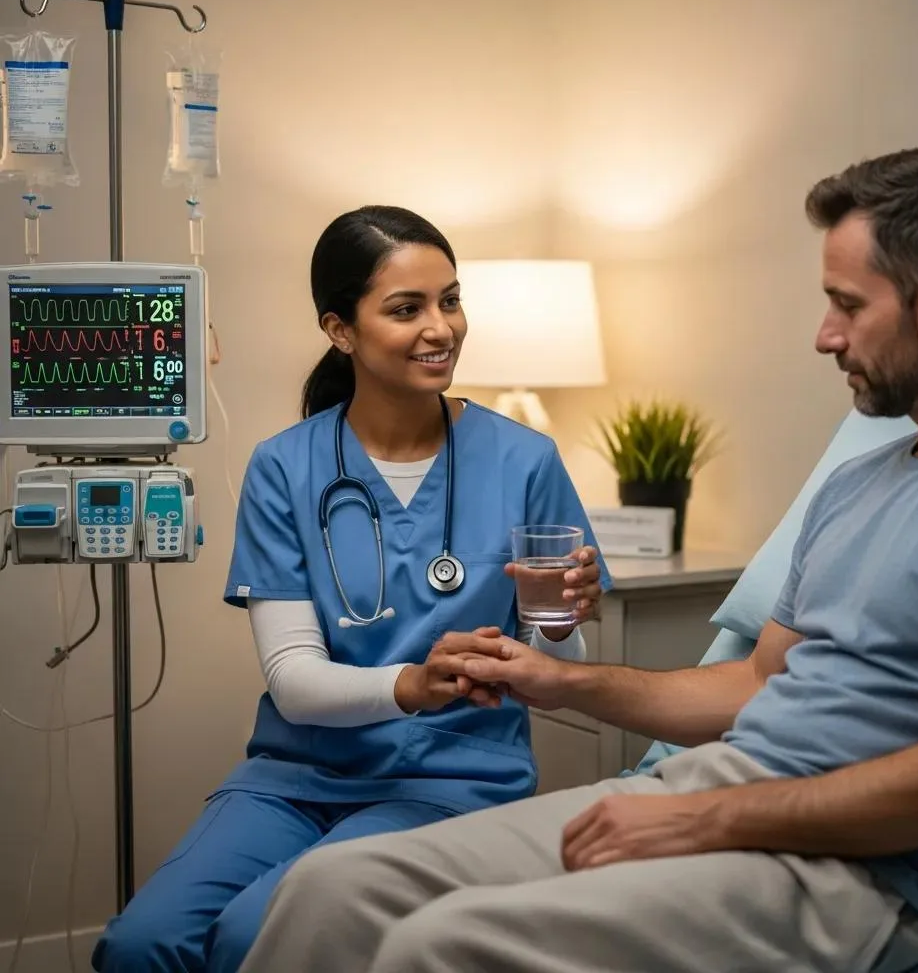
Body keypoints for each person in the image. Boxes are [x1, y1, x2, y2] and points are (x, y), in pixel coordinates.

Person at [236, 147, 918, 973]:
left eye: (846, 305)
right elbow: (757, 684)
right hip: (724, 784)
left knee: (442, 945)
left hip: (855, 866)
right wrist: (553, 676)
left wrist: (704, 821)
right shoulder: (857, 484)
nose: (824, 335)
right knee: (336, 888)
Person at [91, 205, 610, 973]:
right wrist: (413, 683)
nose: (442, 328)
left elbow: (548, 661)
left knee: (252, 935)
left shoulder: (523, 461)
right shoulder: (285, 466)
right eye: (407, 309)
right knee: (140, 945)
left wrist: (563, 620)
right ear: (341, 330)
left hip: (453, 779)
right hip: (293, 777)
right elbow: (295, 684)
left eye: (451, 299)